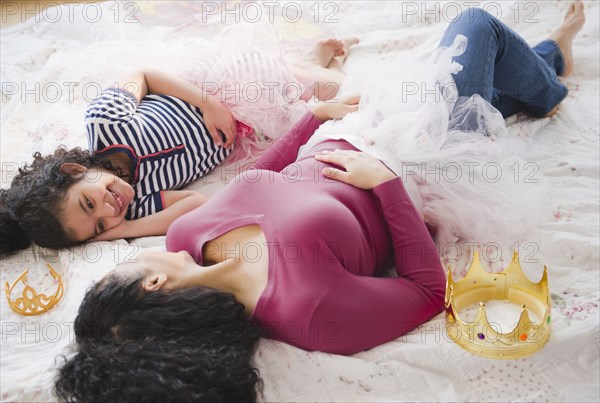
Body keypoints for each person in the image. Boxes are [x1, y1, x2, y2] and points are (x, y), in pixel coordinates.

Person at [55, 4, 585, 402]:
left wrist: (316, 118)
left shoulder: (184, 239)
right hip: (420, 162)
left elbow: (259, 178)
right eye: (113, 275)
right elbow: (427, 292)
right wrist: (385, 184)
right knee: (477, 26)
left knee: (482, 86)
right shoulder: (307, 312)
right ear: (153, 285)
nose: (126, 257)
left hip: (352, 128)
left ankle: (544, 67)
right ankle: (550, 84)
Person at [0, 38, 358, 256]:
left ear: (75, 171)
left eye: (89, 202)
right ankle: (306, 68)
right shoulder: (136, 206)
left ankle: (305, 68)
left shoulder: (105, 123)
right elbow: (195, 203)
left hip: (221, 89)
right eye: (98, 226)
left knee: (337, 90)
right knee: (310, 104)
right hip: (247, 129)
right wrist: (122, 231)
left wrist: (207, 104)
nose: (108, 210)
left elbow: (145, 75)